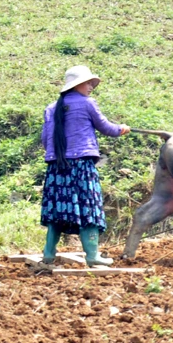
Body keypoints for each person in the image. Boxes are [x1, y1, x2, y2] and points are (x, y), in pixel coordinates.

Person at [40, 65, 130, 266]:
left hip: (57, 167)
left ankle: (48, 253)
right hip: (81, 166)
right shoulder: (87, 104)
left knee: (57, 209)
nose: (91, 87)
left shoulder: (51, 108)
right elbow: (106, 127)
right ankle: (92, 256)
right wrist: (122, 129)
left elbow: (46, 140)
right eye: (88, 83)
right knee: (88, 207)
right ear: (77, 84)